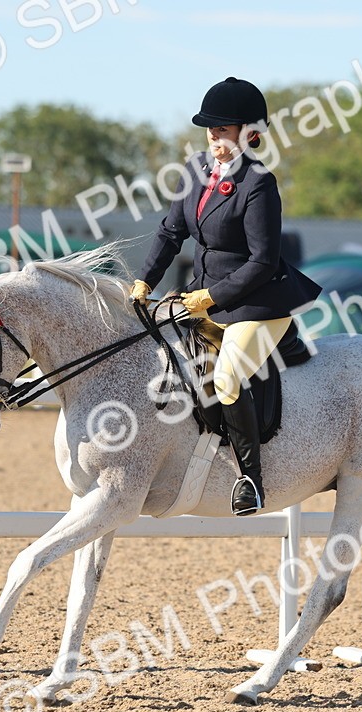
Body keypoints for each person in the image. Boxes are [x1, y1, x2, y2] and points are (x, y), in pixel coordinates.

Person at [132, 77, 322, 516]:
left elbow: (262, 261)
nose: (214, 137)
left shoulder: (259, 183)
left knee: (227, 378)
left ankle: (250, 481)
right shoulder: (195, 170)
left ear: (249, 133)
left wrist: (209, 298)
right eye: (211, 130)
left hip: (257, 302)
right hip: (205, 295)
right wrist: (145, 281)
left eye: (223, 129)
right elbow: (171, 231)